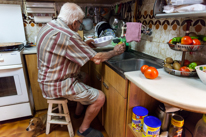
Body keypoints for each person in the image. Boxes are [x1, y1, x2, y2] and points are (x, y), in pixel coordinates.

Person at [36, 2, 125, 137]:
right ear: (74, 22)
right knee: (100, 97)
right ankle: (83, 129)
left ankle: (78, 112)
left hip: (47, 79)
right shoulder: (69, 35)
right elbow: (97, 58)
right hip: (57, 84)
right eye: (80, 24)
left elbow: (65, 47)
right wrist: (114, 51)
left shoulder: (50, 26)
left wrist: (84, 45)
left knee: (85, 76)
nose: (79, 27)